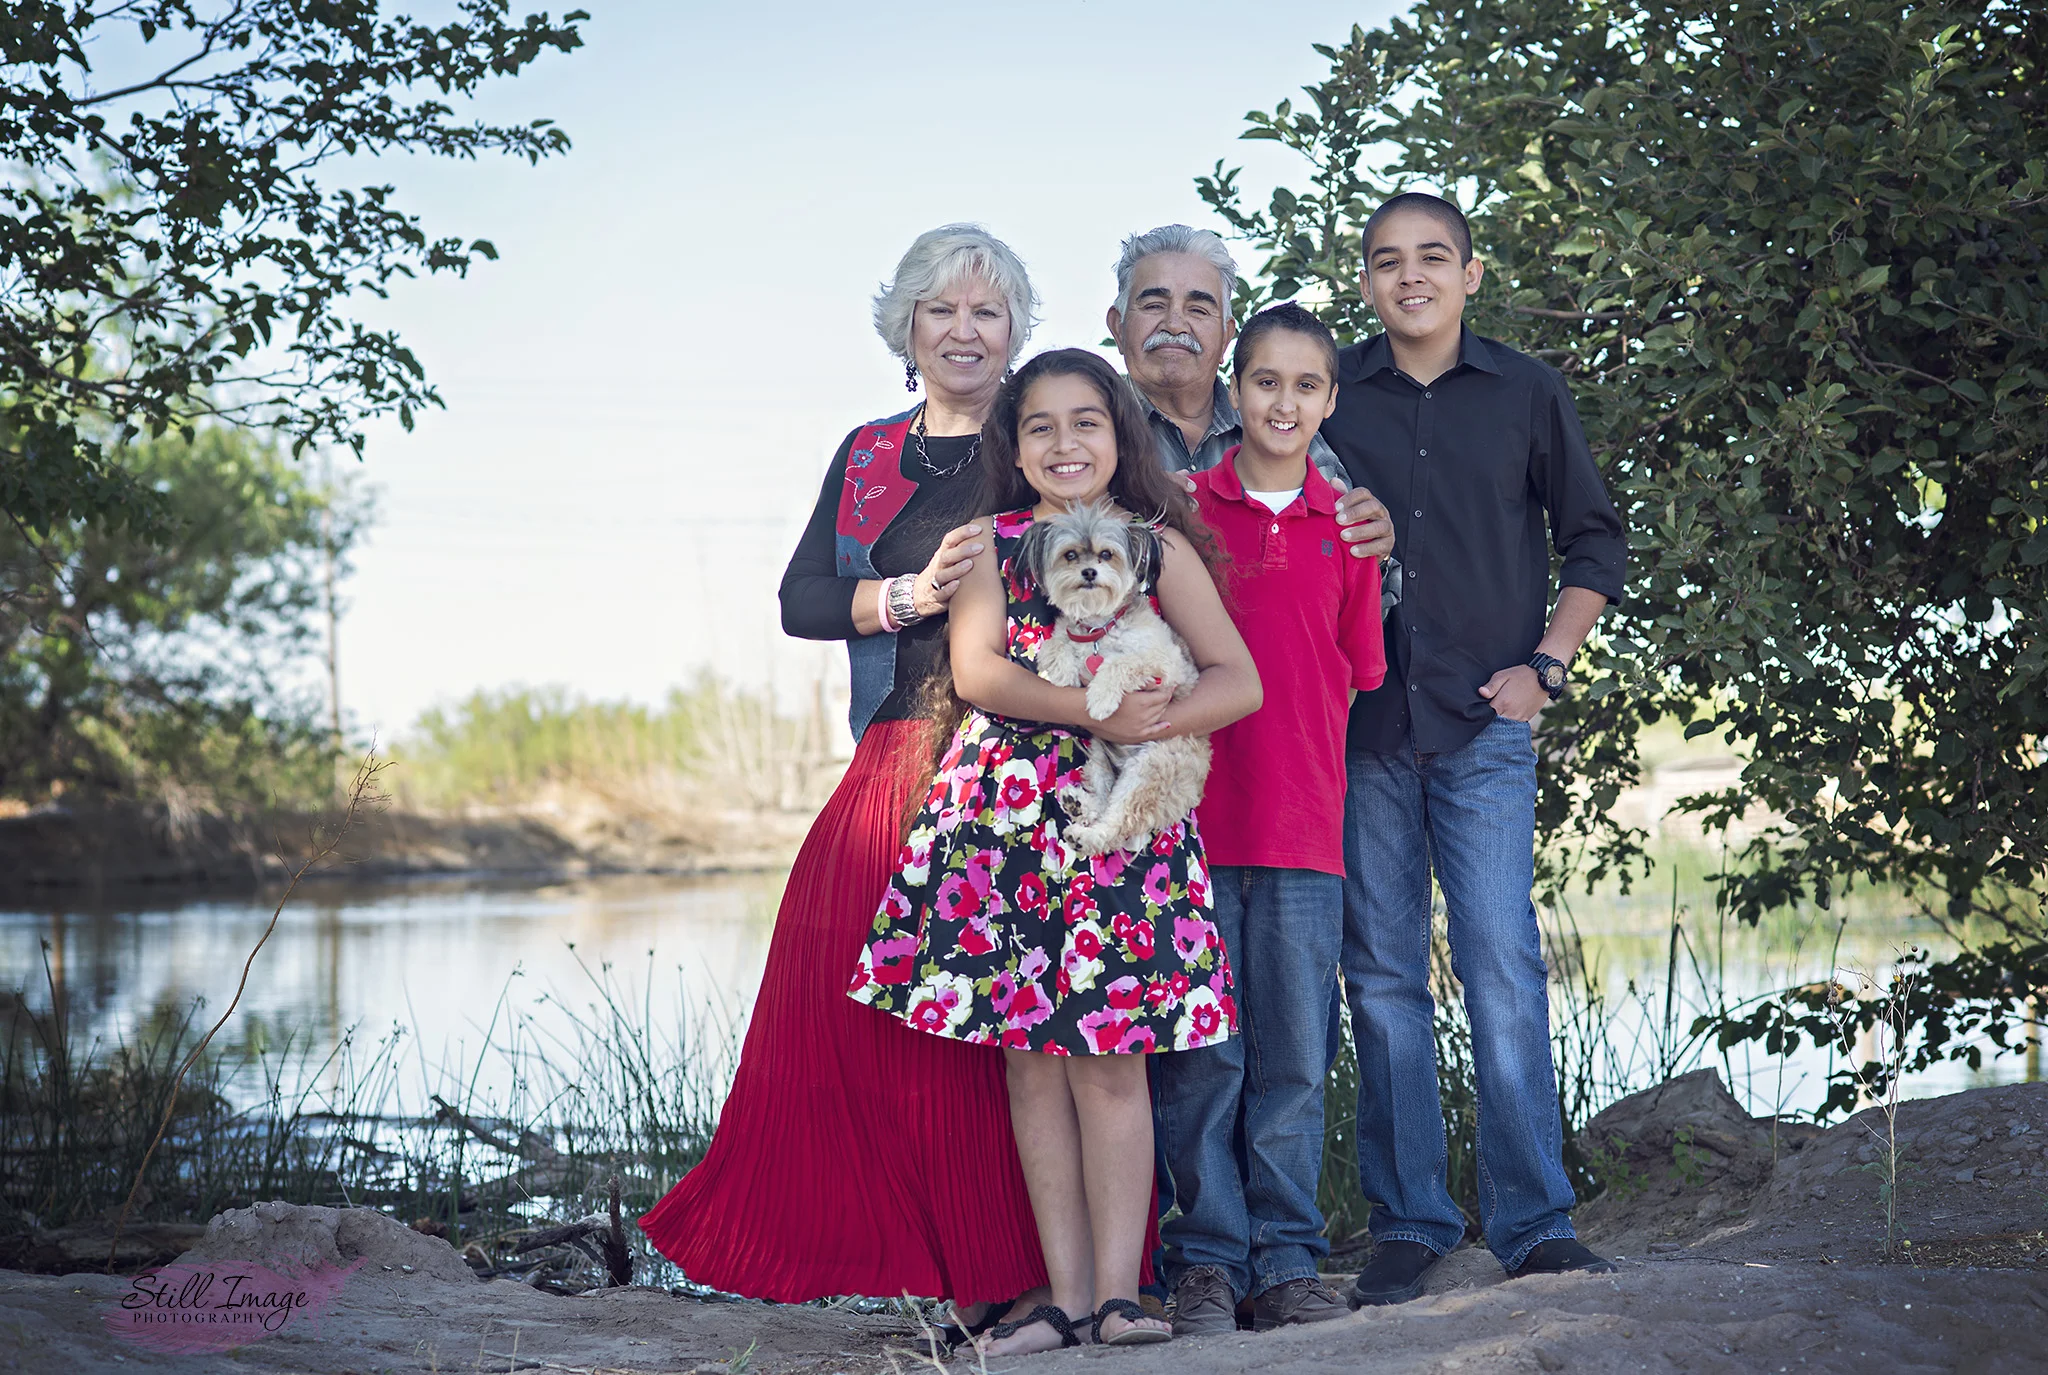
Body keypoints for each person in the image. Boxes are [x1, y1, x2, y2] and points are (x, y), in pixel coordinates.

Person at [638, 225, 1051, 1326]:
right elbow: (800, 600)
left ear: (1015, 330)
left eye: (987, 312)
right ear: (905, 329)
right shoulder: (868, 452)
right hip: (895, 749)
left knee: (995, 1025)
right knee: (836, 982)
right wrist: (907, 596)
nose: (964, 331)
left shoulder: (1045, 436)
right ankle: (916, 1255)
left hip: (1022, 756)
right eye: (941, 310)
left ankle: (1020, 1272)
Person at [850, 348, 1262, 1355]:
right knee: (1032, 1065)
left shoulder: (1156, 547)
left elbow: (1237, 679)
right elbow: (979, 672)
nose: (1064, 442)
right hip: (1003, 827)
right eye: (1040, 426)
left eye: (1086, 422)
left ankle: (1120, 1295)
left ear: (1120, 435)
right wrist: (1092, 709)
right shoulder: (988, 544)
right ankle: (1064, 1300)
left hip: (1118, 831)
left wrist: (1147, 722)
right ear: (1015, 445)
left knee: (1110, 1064)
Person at [1319, 192, 1629, 1305]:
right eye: (1386, 260)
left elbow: (1595, 540)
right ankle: (1410, 1221)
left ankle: (1532, 1220)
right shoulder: (1328, 394)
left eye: (1432, 257)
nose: (1410, 276)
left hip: (1485, 725)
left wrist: (1545, 666)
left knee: (1500, 961)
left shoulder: (1526, 392)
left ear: (1471, 273)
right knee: (1383, 977)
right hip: (1362, 727)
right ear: (1364, 280)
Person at [1160, 304, 1386, 1335]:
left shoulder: (1347, 530)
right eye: (1264, 382)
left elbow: (1358, 671)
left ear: (1328, 401)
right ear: (1234, 390)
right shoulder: (1182, 515)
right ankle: (1206, 1260)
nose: (1283, 403)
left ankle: (1286, 1259)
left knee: (1294, 1058)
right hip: (1193, 829)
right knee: (1203, 1059)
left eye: (1304, 386)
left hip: (1302, 828)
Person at [1105, 224, 1397, 564]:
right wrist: (1129, 514)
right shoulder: (1089, 430)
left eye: (1198, 309)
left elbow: (1348, 551)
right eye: (1155, 305)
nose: (1175, 324)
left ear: (1226, 335)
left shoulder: (1280, 424)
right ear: (1118, 327)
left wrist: (1372, 545)